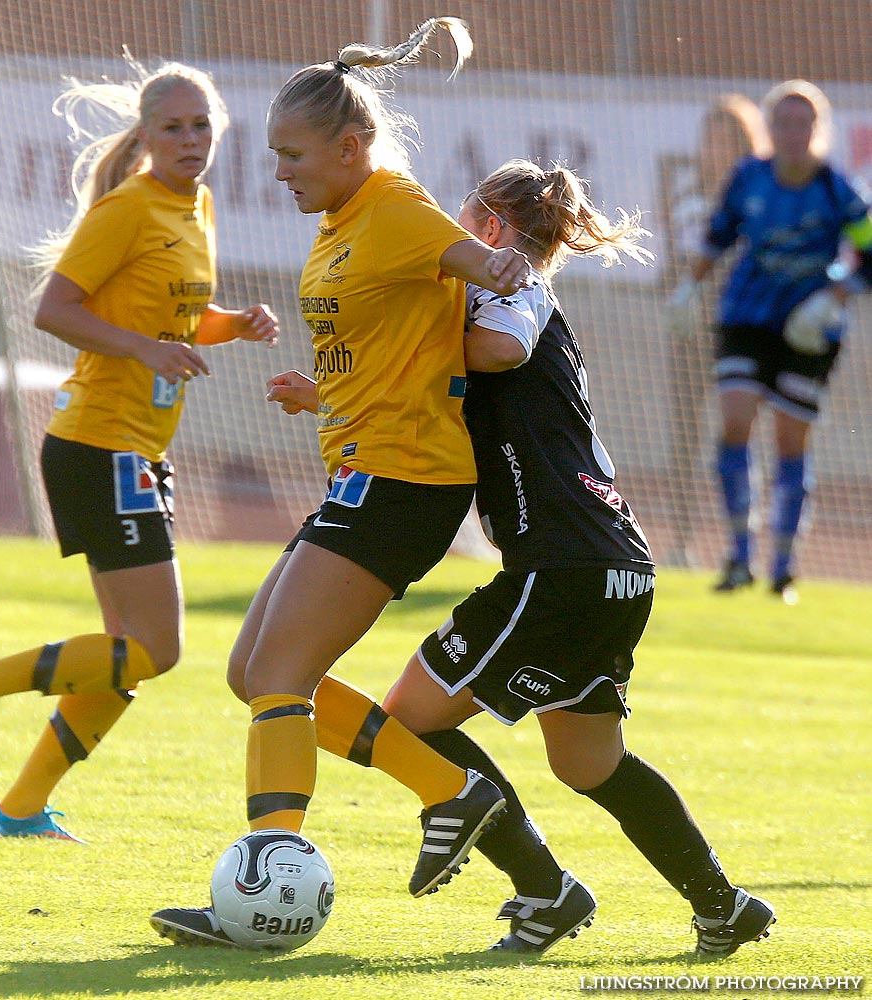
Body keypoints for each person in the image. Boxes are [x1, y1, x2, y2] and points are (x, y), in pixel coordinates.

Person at [257, 158, 775, 960]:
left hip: (560, 565)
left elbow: (496, 351)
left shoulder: (515, 287)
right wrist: (330, 391)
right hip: (613, 567)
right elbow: (427, 392)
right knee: (589, 763)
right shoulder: (492, 297)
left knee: (412, 723)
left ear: (493, 230)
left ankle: (545, 890)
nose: (447, 247)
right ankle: (723, 906)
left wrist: (427, 330)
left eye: (460, 225)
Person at [149, 17, 536, 946]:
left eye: (292, 154)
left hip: (407, 480)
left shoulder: (396, 206)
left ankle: (259, 880)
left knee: (281, 673)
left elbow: (489, 272)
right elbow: (394, 341)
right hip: (363, 472)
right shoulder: (336, 226)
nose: (279, 171)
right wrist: (320, 388)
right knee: (254, 674)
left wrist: (507, 268)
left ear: (351, 146)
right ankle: (455, 789)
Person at [0, 54, 279, 841]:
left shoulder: (200, 206)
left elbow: (173, 317)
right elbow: (54, 309)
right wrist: (144, 352)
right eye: (173, 127)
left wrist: (231, 324)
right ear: (146, 136)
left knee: (124, 657)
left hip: (137, 450)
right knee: (155, 650)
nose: (190, 139)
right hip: (99, 444)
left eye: (201, 124)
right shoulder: (127, 207)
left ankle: (18, 810)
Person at [671, 79, 872, 600]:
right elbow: (717, 237)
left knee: (790, 439)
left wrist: (836, 296)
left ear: (818, 129)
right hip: (746, 318)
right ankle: (739, 554)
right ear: (768, 129)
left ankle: (783, 563)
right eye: (781, 121)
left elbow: (867, 254)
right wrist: (689, 287)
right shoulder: (747, 179)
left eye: (802, 122)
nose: (791, 132)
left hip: (809, 329)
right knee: (735, 421)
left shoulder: (836, 189)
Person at [662, 94, 769, 565]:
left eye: (726, 139)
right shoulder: (686, 194)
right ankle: (682, 541)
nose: (715, 148)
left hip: (742, 331)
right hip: (691, 335)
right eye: (710, 138)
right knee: (684, 438)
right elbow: (677, 257)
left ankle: (741, 539)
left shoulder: (761, 193)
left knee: (738, 432)